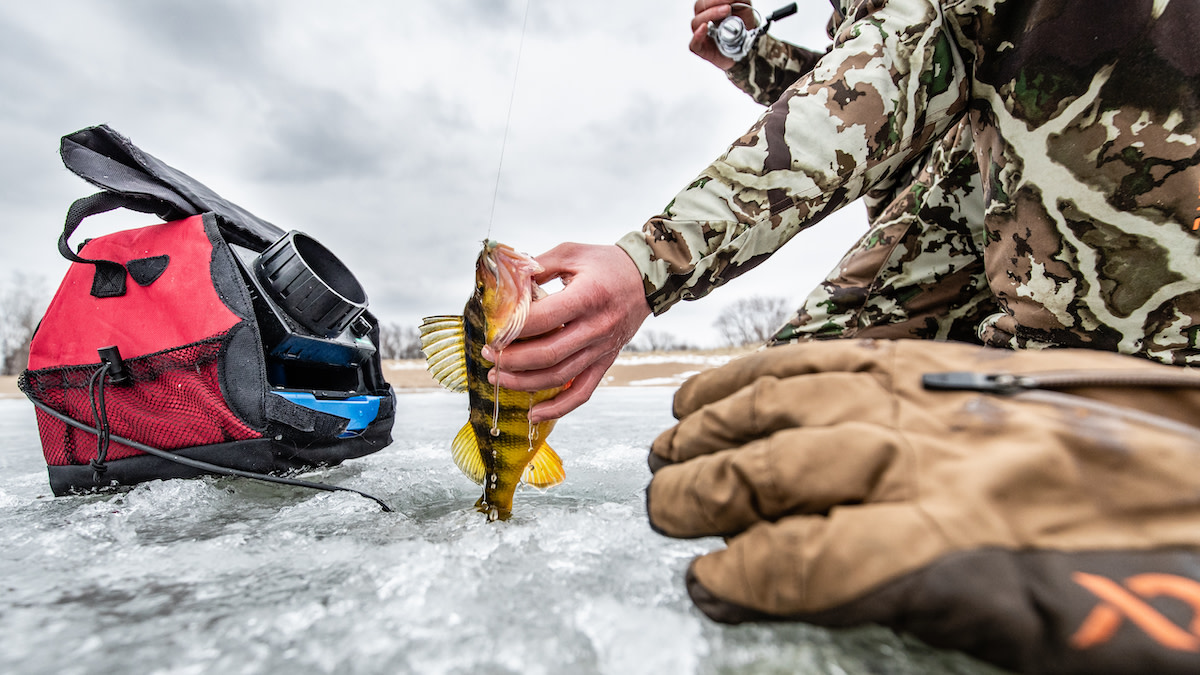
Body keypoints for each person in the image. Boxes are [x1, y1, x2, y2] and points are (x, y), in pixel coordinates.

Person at [486, 2, 1200, 671]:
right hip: (985, 185)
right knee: (794, 434)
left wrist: (651, 260)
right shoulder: (965, 82)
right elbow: (898, 86)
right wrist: (752, 58)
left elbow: (903, 50)